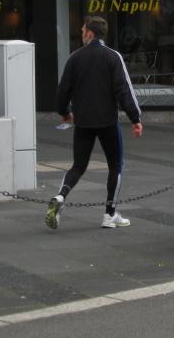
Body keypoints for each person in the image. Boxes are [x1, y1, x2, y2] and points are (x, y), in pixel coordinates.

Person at [46, 15, 143, 231]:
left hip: (83, 122)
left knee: (78, 166)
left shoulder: (74, 58)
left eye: (82, 31)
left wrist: (65, 112)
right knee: (115, 165)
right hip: (107, 121)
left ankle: (60, 197)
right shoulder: (112, 57)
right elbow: (124, 89)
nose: (81, 35)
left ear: (90, 33)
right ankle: (109, 214)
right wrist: (135, 118)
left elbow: (62, 91)